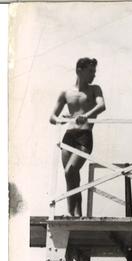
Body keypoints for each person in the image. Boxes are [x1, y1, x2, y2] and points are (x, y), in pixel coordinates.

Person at [50, 58, 106, 217]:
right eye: (90, 71)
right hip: (69, 136)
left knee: (70, 171)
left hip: (85, 136)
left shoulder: (95, 89)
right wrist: (62, 119)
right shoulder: (66, 93)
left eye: (94, 72)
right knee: (71, 177)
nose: (93, 75)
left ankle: (73, 213)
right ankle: (75, 214)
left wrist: (85, 116)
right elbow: (52, 117)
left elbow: (101, 106)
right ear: (79, 70)